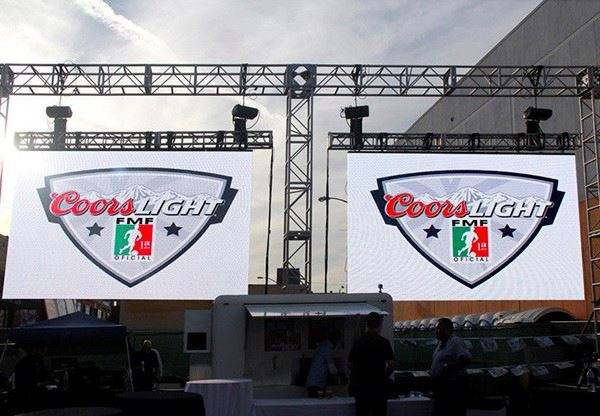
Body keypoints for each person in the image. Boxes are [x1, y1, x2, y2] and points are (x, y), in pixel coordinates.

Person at [349, 312, 395, 416]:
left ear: (367, 324)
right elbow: (392, 364)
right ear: (379, 324)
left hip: (362, 389)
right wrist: (384, 376)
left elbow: (350, 364)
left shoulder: (358, 342)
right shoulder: (384, 342)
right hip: (379, 388)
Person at [429, 317, 472, 416]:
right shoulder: (441, 344)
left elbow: (466, 359)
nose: (436, 331)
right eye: (436, 329)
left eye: (439, 329)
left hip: (452, 388)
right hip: (439, 388)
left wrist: (449, 368)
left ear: (448, 329)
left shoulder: (455, 342)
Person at [306, 329, 341, 397]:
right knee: (320, 400)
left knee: (318, 401)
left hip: (314, 382)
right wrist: (339, 375)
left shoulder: (323, 346)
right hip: (316, 384)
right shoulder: (327, 348)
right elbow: (332, 368)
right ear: (335, 339)